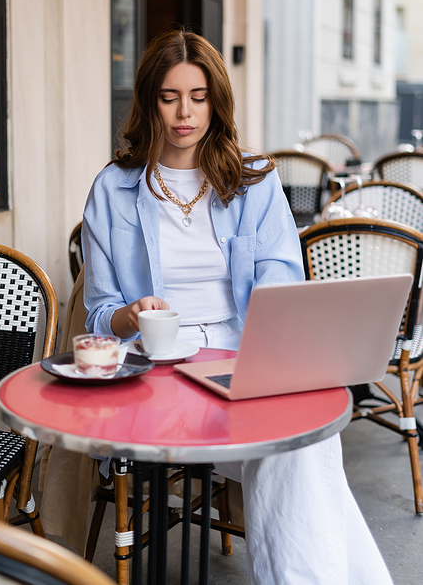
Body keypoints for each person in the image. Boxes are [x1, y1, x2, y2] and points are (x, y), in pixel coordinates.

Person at [82, 29, 393, 585]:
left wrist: (273, 349)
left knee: (302, 442)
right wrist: (130, 315)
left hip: (241, 361)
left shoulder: (255, 180)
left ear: (216, 101)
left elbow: (280, 282)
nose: (185, 113)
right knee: (302, 451)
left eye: (199, 97)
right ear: (149, 100)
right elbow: (100, 311)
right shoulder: (114, 187)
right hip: (158, 372)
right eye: (170, 96)